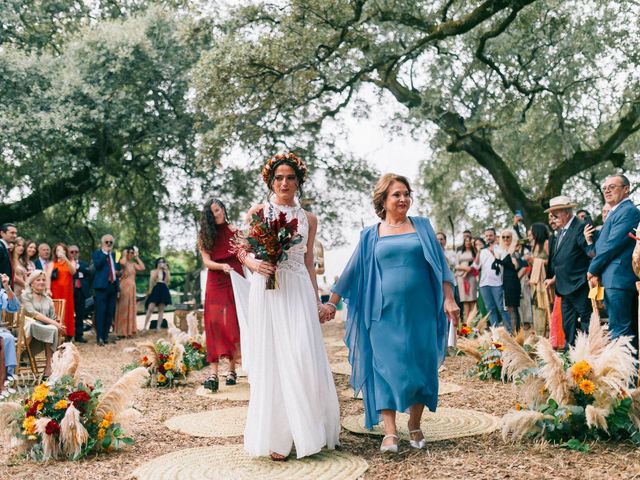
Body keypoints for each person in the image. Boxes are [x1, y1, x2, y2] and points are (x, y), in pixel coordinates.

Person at [328, 173, 459, 453]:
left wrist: (449, 299)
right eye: (396, 195)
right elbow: (352, 270)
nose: (403, 199)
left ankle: (414, 423)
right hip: (382, 313)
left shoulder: (422, 227)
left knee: (421, 367)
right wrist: (331, 302)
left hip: (421, 312)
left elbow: (441, 267)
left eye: (406, 193)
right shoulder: (370, 235)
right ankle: (390, 431)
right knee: (384, 368)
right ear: (384, 201)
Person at [238, 153, 340, 461]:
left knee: (300, 355)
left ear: (299, 182)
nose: (285, 183)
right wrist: (255, 263)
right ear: (271, 181)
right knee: (272, 359)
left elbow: (309, 263)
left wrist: (317, 303)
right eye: (279, 178)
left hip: (296, 289)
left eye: (290, 178)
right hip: (267, 289)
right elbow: (242, 251)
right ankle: (277, 437)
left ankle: (307, 431)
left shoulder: (309, 218)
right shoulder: (258, 211)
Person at [587, 174, 640, 349]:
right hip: (612, 278)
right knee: (620, 331)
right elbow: (602, 245)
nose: (607, 191)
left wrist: (592, 269)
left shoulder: (628, 211)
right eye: (605, 188)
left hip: (619, 278)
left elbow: (612, 245)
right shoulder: (615, 212)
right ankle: (627, 374)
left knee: (620, 332)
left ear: (626, 189)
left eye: (612, 187)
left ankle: (624, 376)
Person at [198, 198, 244, 392]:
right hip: (216, 280)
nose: (216, 214)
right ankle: (213, 374)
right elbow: (207, 262)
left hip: (235, 279)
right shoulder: (204, 236)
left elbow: (244, 254)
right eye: (212, 212)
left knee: (233, 323)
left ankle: (232, 370)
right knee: (214, 324)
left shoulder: (236, 231)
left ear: (224, 209)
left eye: (218, 210)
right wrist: (221, 266)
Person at [544, 195, 592, 349]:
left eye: (555, 213)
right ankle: (570, 353)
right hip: (563, 287)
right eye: (551, 214)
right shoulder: (560, 232)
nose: (553, 217)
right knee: (568, 323)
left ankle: (587, 353)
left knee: (586, 321)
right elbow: (564, 260)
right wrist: (554, 279)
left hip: (579, 284)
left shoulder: (579, 227)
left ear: (567, 212)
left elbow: (590, 253)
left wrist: (590, 276)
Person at [22, 270, 65, 377]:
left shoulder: (48, 300)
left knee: (53, 329)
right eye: (38, 280)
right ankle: (21, 354)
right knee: (36, 325)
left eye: (43, 280)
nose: (41, 282)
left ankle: (48, 367)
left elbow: (52, 318)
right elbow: (33, 314)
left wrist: (58, 325)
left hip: (43, 333)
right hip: (26, 331)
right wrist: (55, 323)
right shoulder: (25, 296)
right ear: (32, 283)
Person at [473, 228, 513, 333]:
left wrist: (494, 252)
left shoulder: (500, 250)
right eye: (486, 236)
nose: (488, 237)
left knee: (501, 308)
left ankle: (509, 331)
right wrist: (478, 252)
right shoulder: (482, 252)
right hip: (484, 284)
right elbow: (476, 267)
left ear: (495, 236)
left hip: (497, 283)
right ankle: (495, 332)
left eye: (490, 235)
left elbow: (507, 264)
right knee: (490, 309)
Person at [46, 243, 76, 342]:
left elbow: (73, 272)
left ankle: (68, 335)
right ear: (55, 252)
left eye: (63, 250)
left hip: (67, 292)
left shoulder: (71, 261)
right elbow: (48, 276)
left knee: (68, 311)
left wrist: (66, 259)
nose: (60, 252)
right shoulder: (52, 263)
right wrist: (48, 289)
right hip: (55, 291)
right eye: (58, 250)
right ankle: (56, 333)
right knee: (57, 311)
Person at [92, 235, 119, 346]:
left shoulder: (115, 255)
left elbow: (117, 269)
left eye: (111, 242)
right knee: (101, 312)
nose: (109, 244)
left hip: (113, 286)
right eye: (107, 242)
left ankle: (105, 336)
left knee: (109, 312)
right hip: (101, 287)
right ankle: (99, 338)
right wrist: (105, 253)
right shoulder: (97, 254)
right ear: (102, 243)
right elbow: (98, 266)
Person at [115, 247, 145, 338]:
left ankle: (129, 330)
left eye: (132, 252)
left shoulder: (133, 264)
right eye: (130, 252)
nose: (131, 254)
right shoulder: (122, 262)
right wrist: (124, 254)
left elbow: (142, 268)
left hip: (132, 288)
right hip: (124, 286)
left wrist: (137, 257)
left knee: (131, 309)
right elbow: (123, 262)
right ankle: (121, 332)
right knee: (123, 309)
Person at [527, 223, 550, 336]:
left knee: (543, 306)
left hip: (543, 279)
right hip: (535, 280)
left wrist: (536, 260)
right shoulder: (534, 245)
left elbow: (550, 261)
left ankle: (543, 333)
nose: (530, 233)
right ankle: (537, 332)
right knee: (535, 306)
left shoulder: (546, 243)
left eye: (532, 231)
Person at [498, 229, 523, 331]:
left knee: (513, 308)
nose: (505, 239)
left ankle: (516, 333)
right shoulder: (501, 251)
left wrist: (513, 254)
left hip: (512, 282)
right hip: (504, 281)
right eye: (503, 237)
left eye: (508, 237)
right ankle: (511, 331)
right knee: (508, 308)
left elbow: (518, 266)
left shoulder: (514, 250)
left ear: (512, 238)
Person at [0, 273, 19, 397]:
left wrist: (7, 287)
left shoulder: (1, 293)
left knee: (7, 338)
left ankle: (5, 380)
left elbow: (14, 307)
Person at [143, 258, 172, 330]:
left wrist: (166, 270)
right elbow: (153, 279)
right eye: (160, 262)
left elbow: (167, 281)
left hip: (163, 289)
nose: (161, 263)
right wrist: (158, 269)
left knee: (161, 309)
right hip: (156, 288)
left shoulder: (166, 271)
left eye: (163, 262)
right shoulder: (153, 271)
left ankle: (158, 327)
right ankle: (145, 326)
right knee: (150, 308)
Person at [69, 245, 91, 343]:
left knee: (80, 314)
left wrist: (78, 269)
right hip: (70, 291)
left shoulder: (83, 263)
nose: (74, 254)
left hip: (81, 291)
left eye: (76, 252)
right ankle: (69, 335)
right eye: (72, 252)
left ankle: (79, 335)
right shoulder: (66, 263)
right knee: (69, 313)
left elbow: (88, 272)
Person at [455, 236, 478, 321]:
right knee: (465, 300)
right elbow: (456, 265)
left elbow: (476, 264)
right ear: (464, 242)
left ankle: (473, 321)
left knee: (472, 299)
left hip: (471, 277)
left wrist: (468, 271)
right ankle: (466, 323)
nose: (468, 243)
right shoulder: (459, 252)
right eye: (466, 241)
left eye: (469, 241)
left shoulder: (474, 252)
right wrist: (465, 269)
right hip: (461, 277)